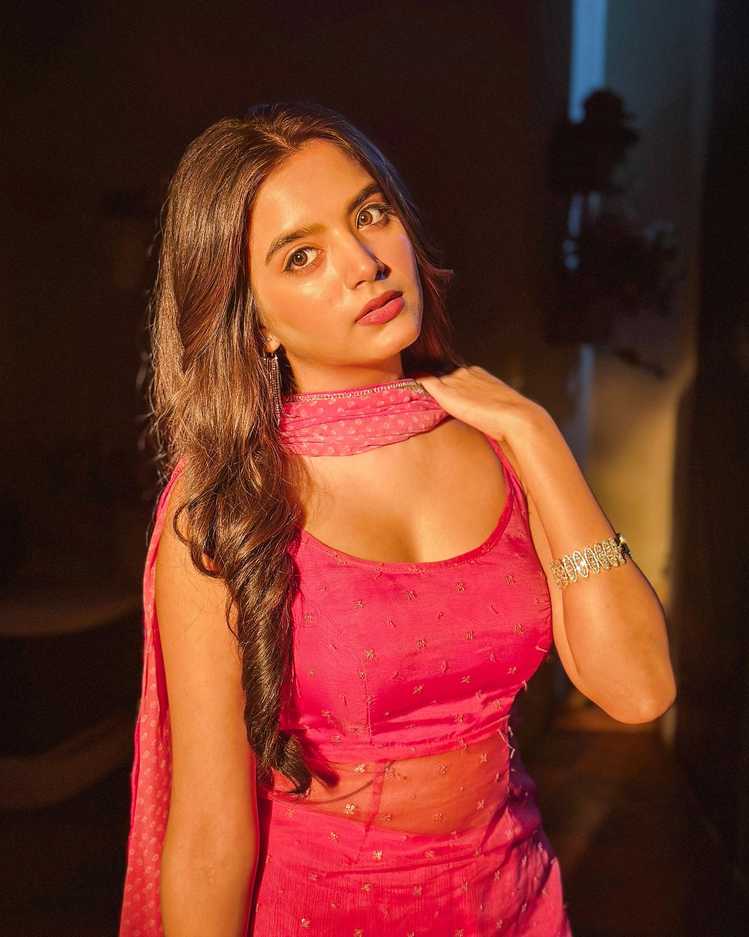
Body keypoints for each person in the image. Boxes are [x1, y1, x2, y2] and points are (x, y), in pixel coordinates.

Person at [118, 101, 676, 937]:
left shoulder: (501, 445)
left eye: (370, 214)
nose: (365, 264)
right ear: (255, 321)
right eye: (301, 255)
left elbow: (638, 689)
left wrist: (537, 434)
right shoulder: (227, 505)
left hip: (517, 903)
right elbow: (207, 837)